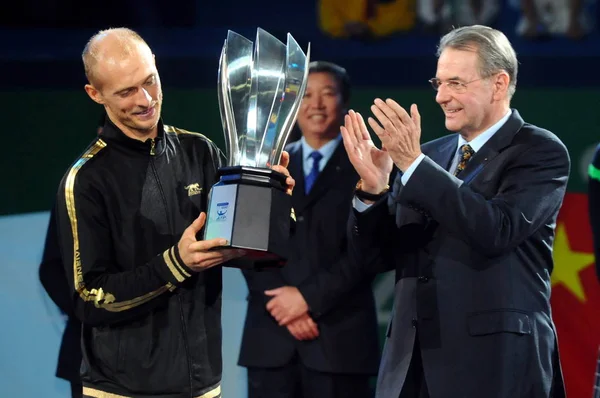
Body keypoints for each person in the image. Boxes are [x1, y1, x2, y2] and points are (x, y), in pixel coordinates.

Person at [53, 27, 294, 398]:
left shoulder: (200, 151)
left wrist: (273, 202)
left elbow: (251, 253)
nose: (146, 99)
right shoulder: (86, 180)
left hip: (204, 384)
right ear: (95, 94)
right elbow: (88, 297)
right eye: (126, 91)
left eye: (150, 81)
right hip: (122, 390)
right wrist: (176, 263)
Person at [339, 25, 569, 397]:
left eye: (457, 84)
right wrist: (372, 190)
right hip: (411, 364)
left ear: (499, 83)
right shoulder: (429, 155)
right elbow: (375, 259)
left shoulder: (538, 151)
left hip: (493, 365)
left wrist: (412, 165)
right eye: (439, 83)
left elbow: (496, 230)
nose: (441, 97)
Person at [238, 61, 380, 398]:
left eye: (327, 94)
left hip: (338, 340)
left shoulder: (370, 168)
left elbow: (370, 252)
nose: (316, 105)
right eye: (306, 95)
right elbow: (245, 240)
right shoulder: (267, 163)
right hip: (270, 338)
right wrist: (283, 303)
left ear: (344, 103)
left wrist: (306, 299)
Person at [39, 114, 106, 398]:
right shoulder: (74, 187)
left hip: (156, 357)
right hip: (87, 352)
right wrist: (88, 310)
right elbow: (51, 269)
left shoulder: (159, 185)